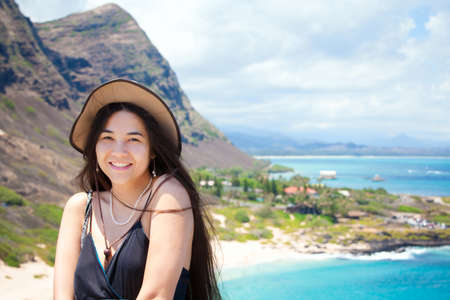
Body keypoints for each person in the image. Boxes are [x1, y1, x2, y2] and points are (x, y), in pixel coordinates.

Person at [53, 79, 221, 300]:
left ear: (153, 150)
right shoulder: (80, 207)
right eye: (107, 138)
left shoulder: (168, 196)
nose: (119, 151)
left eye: (134, 139)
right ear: (95, 145)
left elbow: (156, 295)